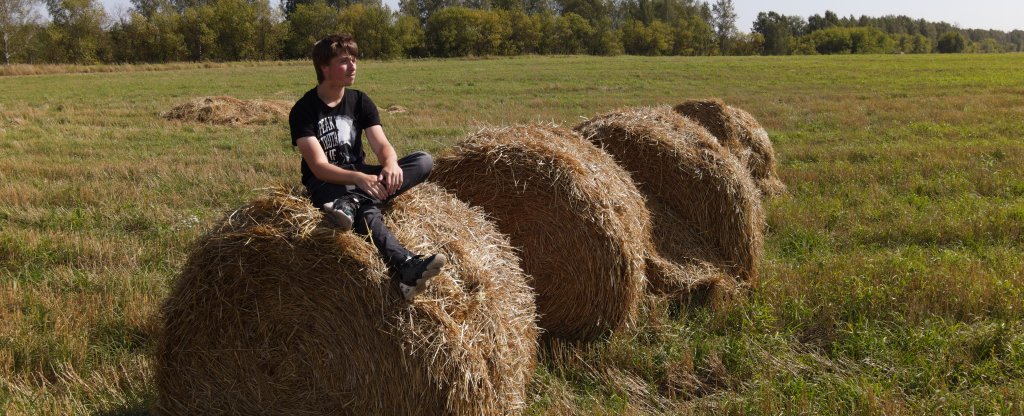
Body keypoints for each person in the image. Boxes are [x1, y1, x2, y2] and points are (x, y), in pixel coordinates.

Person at [288, 34, 445, 300]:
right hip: (328, 183)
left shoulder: (360, 101)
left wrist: (391, 163)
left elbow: (381, 143)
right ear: (324, 68)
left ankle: (351, 203)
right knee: (368, 211)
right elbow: (318, 167)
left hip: (359, 179)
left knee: (423, 160)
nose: (353, 66)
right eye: (344, 61)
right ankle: (406, 265)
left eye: (354, 60)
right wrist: (359, 178)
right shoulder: (303, 110)